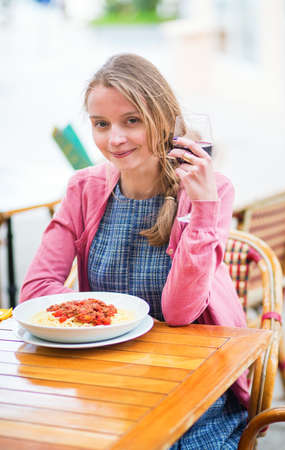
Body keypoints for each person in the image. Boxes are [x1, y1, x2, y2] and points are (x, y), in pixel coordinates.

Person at [20, 53, 248, 449]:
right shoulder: (84, 188)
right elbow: (36, 289)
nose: (115, 140)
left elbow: (179, 313)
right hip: (105, 376)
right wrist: (102, 318)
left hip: (190, 382)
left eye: (132, 120)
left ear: (162, 119)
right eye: (101, 124)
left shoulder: (209, 192)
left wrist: (204, 208)